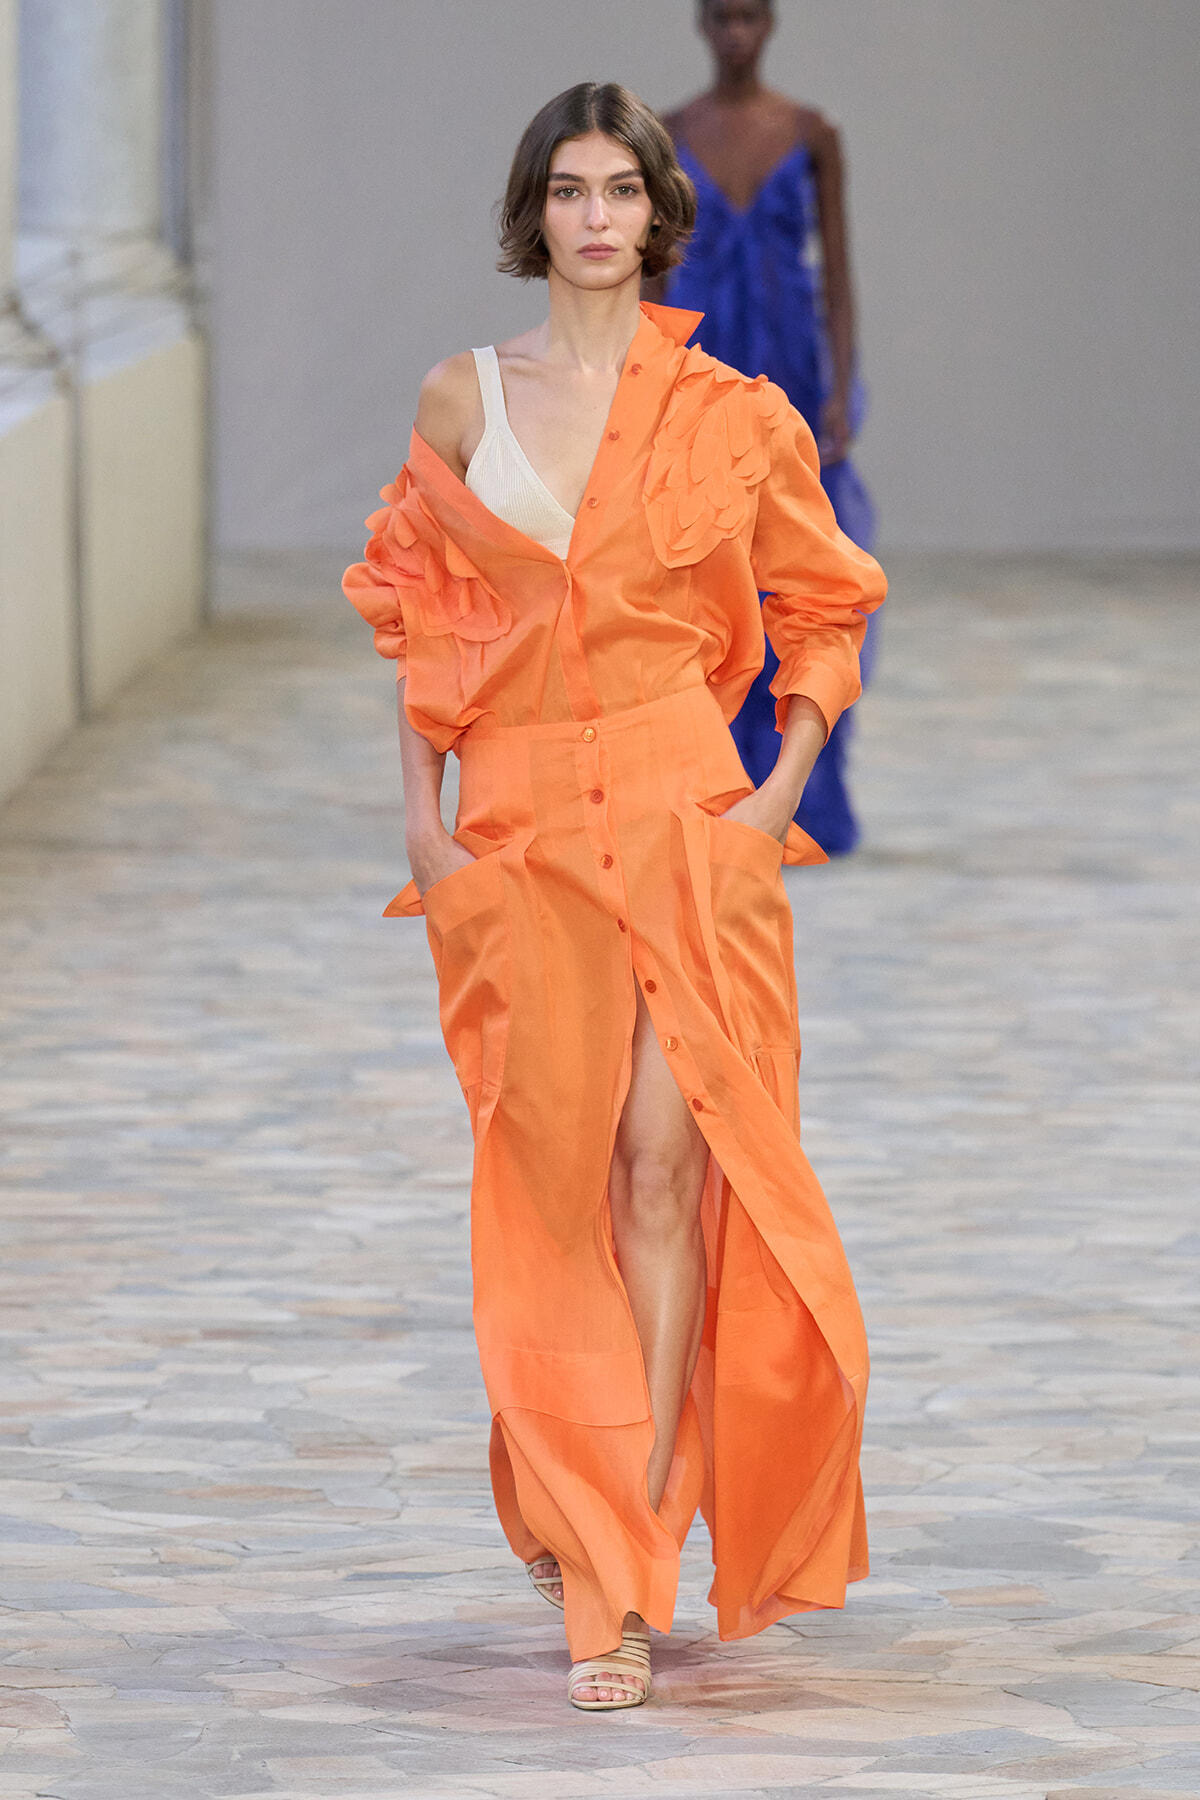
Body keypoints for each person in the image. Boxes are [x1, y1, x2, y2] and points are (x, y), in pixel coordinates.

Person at [343, 82, 885, 1713]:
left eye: (621, 190)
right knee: (543, 1183)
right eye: (568, 190)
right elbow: (419, 613)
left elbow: (823, 605)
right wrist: (425, 830)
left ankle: (622, 1561)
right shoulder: (463, 402)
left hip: (682, 819)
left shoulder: (734, 416)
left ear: (659, 214)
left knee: (664, 1174)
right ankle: (577, 1489)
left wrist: (774, 796)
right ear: (536, 214)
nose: (596, 216)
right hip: (517, 833)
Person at [654, 0, 878, 855]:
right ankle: (713, 786)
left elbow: (839, 275)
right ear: (702, 27)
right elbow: (646, 276)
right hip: (701, 372)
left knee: (803, 582)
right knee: (704, 581)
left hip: (791, 368)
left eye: (749, 17)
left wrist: (840, 393)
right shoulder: (667, 135)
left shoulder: (812, 133)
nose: (736, 33)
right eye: (723, 17)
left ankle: (801, 799)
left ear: (770, 24)